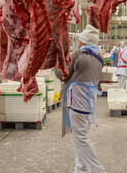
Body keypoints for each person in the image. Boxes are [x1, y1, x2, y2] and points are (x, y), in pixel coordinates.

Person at [55, 24, 106, 173]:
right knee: (82, 136)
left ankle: (97, 170)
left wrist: (56, 65)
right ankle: (80, 169)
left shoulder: (78, 55)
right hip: (90, 103)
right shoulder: (98, 58)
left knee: (81, 139)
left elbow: (61, 75)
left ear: (82, 42)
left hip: (78, 102)